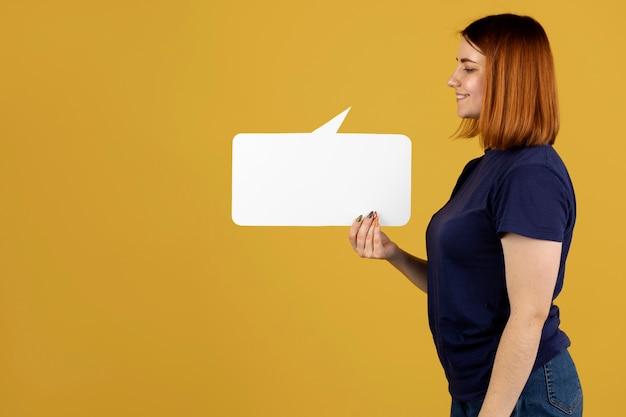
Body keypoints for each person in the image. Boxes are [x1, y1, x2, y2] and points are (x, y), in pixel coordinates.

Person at [348, 14, 583, 417]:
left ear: (511, 79)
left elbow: (530, 314)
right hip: (480, 388)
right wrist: (394, 254)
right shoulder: (484, 168)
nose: (452, 79)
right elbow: (463, 286)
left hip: (522, 394)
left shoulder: (531, 176)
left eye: (468, 68)